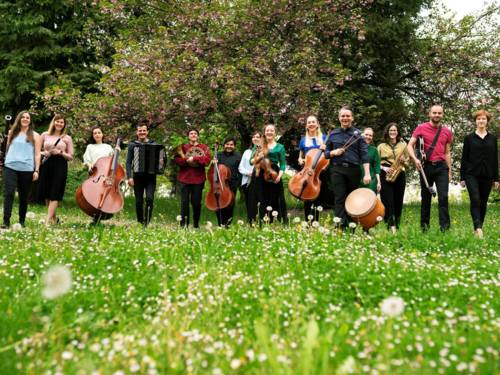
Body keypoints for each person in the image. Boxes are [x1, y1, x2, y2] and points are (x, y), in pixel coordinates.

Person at [407, 104, 453, 232]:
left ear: (442, 115)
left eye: (439, 113)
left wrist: (449, 171)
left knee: (443, 197)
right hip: (425, 167)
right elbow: (410, 145)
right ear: (429, 114)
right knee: (426, 198)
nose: (437, 115)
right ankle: (424, 228)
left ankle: (445, 228)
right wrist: (415, 159)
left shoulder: (447, 132)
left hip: (441, 167)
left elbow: (447, 152)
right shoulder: (420, 128)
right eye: (434, 113)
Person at [325, 107, 370, 229]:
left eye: (347, 116)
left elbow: (365, 155)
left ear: (352, 118)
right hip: (337, 169)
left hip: (353, 170)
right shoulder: (333, 134)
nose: (345, 118)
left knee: (351, 199)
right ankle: (339, 227)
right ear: (339, 118)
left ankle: (351, 227)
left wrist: (367, 173)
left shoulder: (359, 135)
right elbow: (326, 154)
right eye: (343, 116)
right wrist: (333, 152)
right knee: (339, 198)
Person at [460, 109, 498, 238]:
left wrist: (496, 178)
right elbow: (464, 158)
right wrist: (462, 177)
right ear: (475, 121)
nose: (481, 121)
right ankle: (478, 228)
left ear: (487, 121)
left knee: (483, 202)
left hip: (487, 175)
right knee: (475, 199)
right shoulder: (469, 138)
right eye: (478, 119)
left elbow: (495, 159)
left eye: (483, 119)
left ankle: (478, 228)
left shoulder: (492, 139)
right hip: (471, 174)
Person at [2, 111, 41, 229]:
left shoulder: (35, 135)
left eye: (27, 117)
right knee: (9, 193)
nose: (25, 119)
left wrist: (37, 170)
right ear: (19, 119)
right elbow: (6, 149)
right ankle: (6, 221)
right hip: (10, 166)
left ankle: (22, 221)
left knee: (23, 197)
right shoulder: (11, 133)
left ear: (30, 120)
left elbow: (37, 154)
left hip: (27, 169)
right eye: (23, 117)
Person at [38, 115, 74, 225]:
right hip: (47, 164)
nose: (59, 124)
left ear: (64, 124)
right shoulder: (45, 135)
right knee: (47, 193)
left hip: (60, 165)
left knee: (55, 192)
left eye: (61, 122)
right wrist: (46, 153)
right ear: (53, 122)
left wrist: (61, 152)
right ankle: (54, 220)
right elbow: (37, 151)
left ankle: (47, 222)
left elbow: (71, 156)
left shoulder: (67, 138)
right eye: (57, 121)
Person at [248, 124, 288, 223]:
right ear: (264, 133)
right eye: (267, 130)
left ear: (275, 133)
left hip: (274, 173)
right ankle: (260, 220)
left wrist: (280, 175)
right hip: (260, 173)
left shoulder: (280, 147)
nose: (269, 132)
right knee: (260, 197)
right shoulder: (259, 145)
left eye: (272, 130)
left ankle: (275, 220)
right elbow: (251, 161)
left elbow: (283, 163)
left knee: (274, 197)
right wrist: (259, 157)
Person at [174, 128, 211, 228]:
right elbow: (177, 161)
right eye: (191, 133)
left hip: (198, 179)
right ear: (188, 136)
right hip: (184, 179)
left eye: (195, 133)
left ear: (198, 136)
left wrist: (194, 158)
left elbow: (207, 160)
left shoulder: (204, 147)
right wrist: (186, 160)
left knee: (196, 203)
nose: (193, 135)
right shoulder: (183, 147)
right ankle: (183, 225)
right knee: (184, 202)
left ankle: (196, 224)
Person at [377, 123, 409, 232]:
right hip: (385, 172)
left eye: (395, 130)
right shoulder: (381, 146)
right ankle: (390, 225)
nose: (393, 132)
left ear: (398, 132)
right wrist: (384, 168)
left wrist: (404, 161)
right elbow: (375, 163)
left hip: (399, 172)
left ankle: (398, 224)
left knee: (398, 200)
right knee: (387, 200)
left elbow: (408, 162)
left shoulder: (403, 145)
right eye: (391, 130)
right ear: (387, 132)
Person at [126, 122, 159, 227]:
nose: (142, 132)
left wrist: (161, 164)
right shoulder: (132, 145)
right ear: (137, 132)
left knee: (150, 199)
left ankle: (147, 222)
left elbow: (160, 159)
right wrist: (129, 177)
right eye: (140, 131)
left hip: (150, 178)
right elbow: (128, 162)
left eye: (144, 130)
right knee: (139, 201)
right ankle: (140, 222)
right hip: (137, 177)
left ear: (147, 132)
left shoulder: (154, 144)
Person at [297, 115, 329, 222]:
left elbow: (327, 156)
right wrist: (300, 159)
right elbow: (301, 155)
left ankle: (316, 221)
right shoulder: (303, 140)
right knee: (307, 196)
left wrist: (325, 149)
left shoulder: (324, 138)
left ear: (317, 124)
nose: (311, 124)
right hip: (307, 171)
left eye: (313, 122)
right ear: (306, 125)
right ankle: (307, 221)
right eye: (309, 122)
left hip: (319, 171)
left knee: (318, 196)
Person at [212, 137, 241, 227]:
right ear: (224, 145)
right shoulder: (218, 155)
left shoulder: (238, 156)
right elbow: (213, 171)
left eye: (231, 144)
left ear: (234, 146)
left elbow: (240, 171)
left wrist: (237, 183)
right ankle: (220, 224)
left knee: (230, 206)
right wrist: (213, 163)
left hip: (232, 184)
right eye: (227, 144)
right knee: (218, 206)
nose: (229, 146)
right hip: (219, 185)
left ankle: (227, 224)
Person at [238, 132, 262, 222]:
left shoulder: (263, 151)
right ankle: (250, 221)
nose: (255, 138)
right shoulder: (247, 152)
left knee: (259, 202)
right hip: (248, 180)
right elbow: (240, 167)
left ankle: (261, 220)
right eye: (254, 137)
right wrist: (248, 173)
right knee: (249, 202)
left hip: (259, 180)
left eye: (258, 137)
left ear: (261, 139)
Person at [359, 127, 381, 194]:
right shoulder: (356, 148)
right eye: (366, 134)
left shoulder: (374, 150)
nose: (368, 137)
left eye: (370, 135)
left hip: (371, 180)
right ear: (362, 135)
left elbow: (377, 167)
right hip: (357, 178)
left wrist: (379, 182)